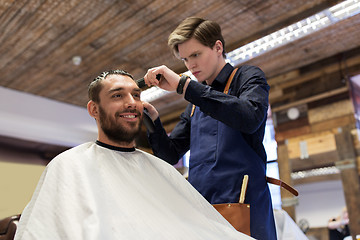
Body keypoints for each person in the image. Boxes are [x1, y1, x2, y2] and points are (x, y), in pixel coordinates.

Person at [14, 70, 254, 240]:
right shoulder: (69, 166)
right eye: (118, 96)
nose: (132, 103)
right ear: (94, 109)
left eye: (136, 95)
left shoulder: (159, 170)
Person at [143, 17, 276, 239]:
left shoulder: (248, 77)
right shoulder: (195, 102)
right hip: (202, 208)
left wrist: (185, 86)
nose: (190, 65)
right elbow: (170, 154)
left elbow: (249, 118)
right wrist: (152, 120)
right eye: (185, 59)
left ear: (217, 47)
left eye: (196, 55)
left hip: (244, 205)